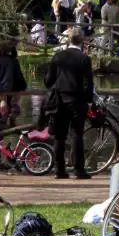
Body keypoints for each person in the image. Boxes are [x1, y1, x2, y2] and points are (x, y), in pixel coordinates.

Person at [43, 28, 94, 179]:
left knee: (59, 135)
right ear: (82, 41)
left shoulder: (58, 57)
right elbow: (88, 83)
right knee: (77, 135)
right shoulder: (84, 59)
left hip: (59, 99)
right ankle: (79, 169)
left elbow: (48, 80)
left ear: (69, 40)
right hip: (77, 100)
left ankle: (59, 170)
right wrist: (89, 101)